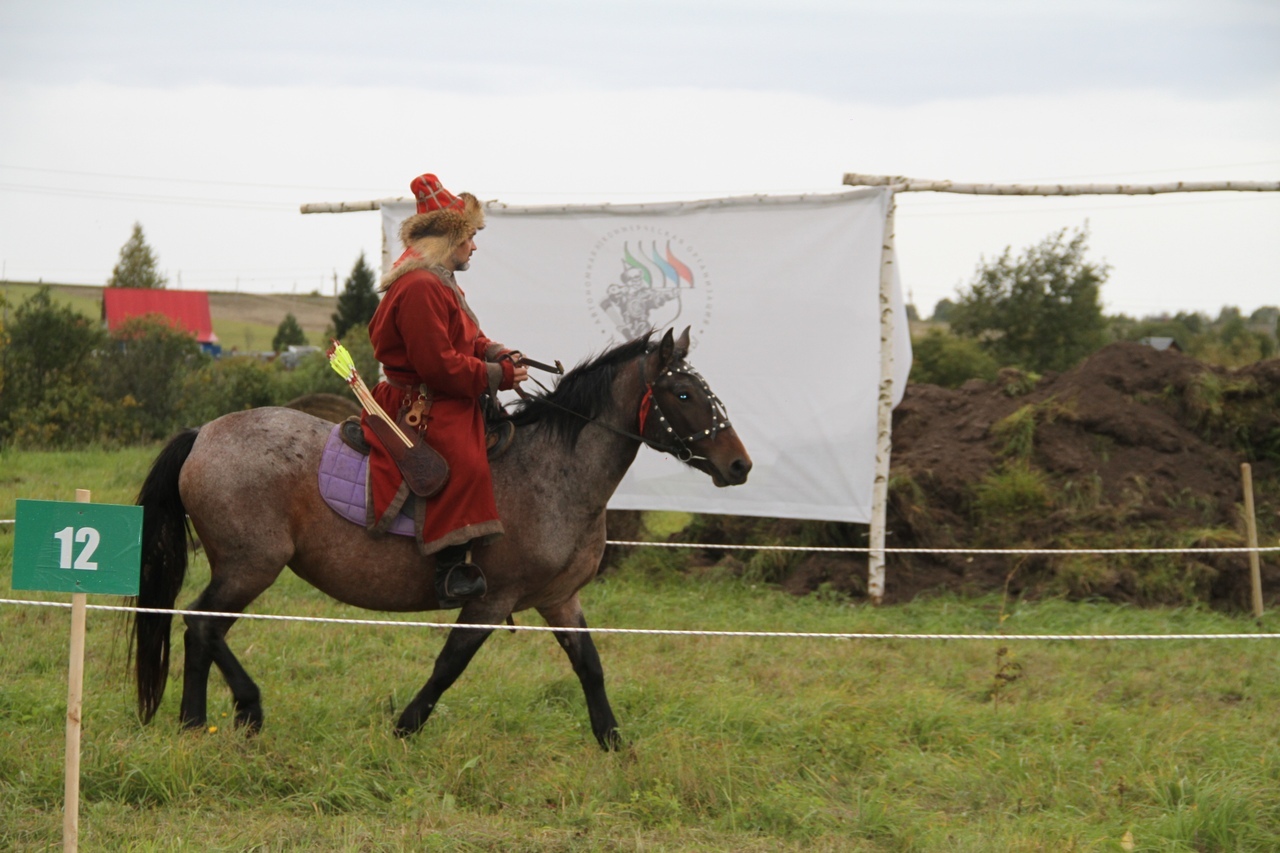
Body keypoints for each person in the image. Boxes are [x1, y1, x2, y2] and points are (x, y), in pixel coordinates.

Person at [362, 172, 527, 605]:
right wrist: (498, 377)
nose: (474, 245)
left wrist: (495, 351)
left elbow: (464, 339)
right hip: (422, 403)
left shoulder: (439, 281)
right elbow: (438, 367)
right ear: (448, 240)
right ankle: (450, 568)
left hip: (440, 392)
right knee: (465, 461)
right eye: (470, 237)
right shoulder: (420, 287)